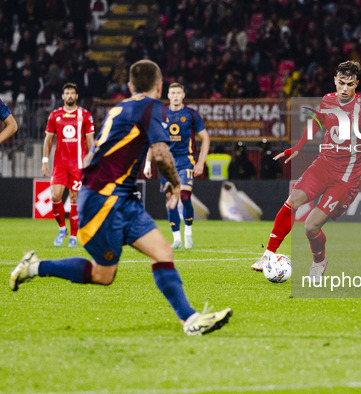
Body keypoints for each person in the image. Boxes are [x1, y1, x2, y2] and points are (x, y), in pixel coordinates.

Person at [10, 60, 232, 336]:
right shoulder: (150, 107)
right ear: (160, 86)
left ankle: (190, 320)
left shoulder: (120, 107)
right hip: (103, 198)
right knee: (104, 274)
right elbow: (161, 153)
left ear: (129, 86)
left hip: (121, 197)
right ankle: (35, 267)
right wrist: (175, 184)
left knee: (161, 252)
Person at [251, 61, 361, 280]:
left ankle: (319, 262)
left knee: (310, 227)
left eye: (349, 84)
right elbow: (318, 120)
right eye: (341, 83)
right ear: (335, 80)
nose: (344, 88)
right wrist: (297, 147)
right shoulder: (327, 99)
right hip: (322, 166)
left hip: (346, 178)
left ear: (356, 84)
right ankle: (268, 255)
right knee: (292, 201)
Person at [144, 82, 210, 249]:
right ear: (168, 95)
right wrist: (147, 163)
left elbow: (205, 138)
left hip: (186, 160)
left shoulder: (191, 114)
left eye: (178, 93)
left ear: (183, 95)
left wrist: (201, 162)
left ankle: (188, 233)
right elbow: (154, 140)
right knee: (171, 198)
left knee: (185, 196)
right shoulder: (160, 113)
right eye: (172, 93)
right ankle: (177, 239)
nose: (175, 96)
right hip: (166, 162)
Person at [42, 83, 95, 247]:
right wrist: (45, 161)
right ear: (62, 97)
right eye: (67, 93)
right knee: (55, 196)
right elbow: (48, 139)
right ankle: (62, 228)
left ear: (77, 96)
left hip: (78, 165)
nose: (70, 96)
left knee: (74, 198)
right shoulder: (55, 115)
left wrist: (91, 162)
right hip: (60, 164)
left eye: (72, 93)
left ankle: (73, 236)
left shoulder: (85, 115)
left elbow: (90, 141)